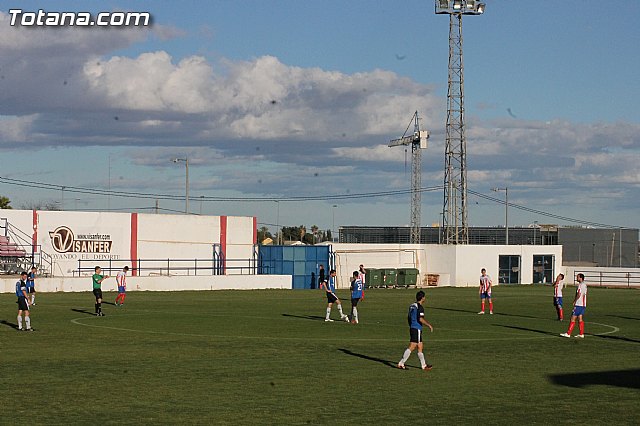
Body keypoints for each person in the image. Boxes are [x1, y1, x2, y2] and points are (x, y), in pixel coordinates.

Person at [398, 290, 433, 370]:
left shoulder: (412, 306)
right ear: (422, 298)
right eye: (424, 297)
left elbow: (409, 317)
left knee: (420, 346)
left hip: (413, 327)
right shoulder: (420, 307)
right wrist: (429, 325)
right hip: (416, 328)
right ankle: (401, 363)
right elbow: (420, 318)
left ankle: (423, 365)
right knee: (412, 346)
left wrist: (411, 325)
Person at [561, 273, 587, 338]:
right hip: (583, 304)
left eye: (577, 277)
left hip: (578, 304)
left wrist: (575, 301)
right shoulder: (585, 285)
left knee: (572, 318)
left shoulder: (580, 285)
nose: (576, 278)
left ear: (581, 278)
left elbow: (579, 294)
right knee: (580, 318)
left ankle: (568, 333)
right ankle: (581, 334)